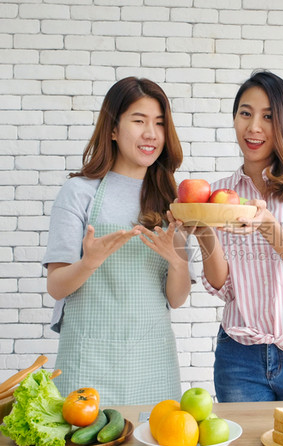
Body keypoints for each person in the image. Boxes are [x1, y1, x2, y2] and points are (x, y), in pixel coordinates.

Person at [177, 70, 283, 402]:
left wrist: (268, 225)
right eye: (245, 113)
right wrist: (205, 234)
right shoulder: (222, 195)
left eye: (268, 116)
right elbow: (223, 287)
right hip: (239, 356)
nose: (254, 127)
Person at [43, 77, 192, 405]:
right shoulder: (79, 193)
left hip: (152, 358)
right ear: (113, 129)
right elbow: (56, 286)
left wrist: (176, 260)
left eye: (159, 123)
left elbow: (177, 298)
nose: (150, 133)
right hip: (88, 357)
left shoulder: (172, 201)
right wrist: (89, 263)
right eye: (139, 121)